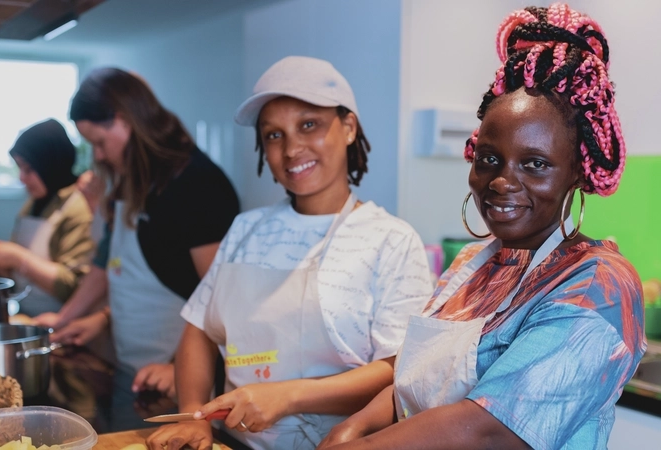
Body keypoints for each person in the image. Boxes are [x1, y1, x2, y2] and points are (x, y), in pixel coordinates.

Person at [318, 4, 646, 449]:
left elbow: (491, 429)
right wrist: (357, 424)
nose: (502, 182)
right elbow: (416, 378)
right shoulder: (474, 262)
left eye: (535, 164)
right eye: (489, 159)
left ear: (576, 171)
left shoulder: (599, 285)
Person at [147, 56, 434, 450]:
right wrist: (195, 415)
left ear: (348, 127)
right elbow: (199, 328)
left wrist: (288, 395)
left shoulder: (391, 240)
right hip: (235, 443)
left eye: (308, 125)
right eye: (274, 135)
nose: (292, 148)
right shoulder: (246, 229)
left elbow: (397, 370)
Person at [33, 68, 240, 430]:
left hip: (182, 381)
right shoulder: (132, 179)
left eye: (99, 142)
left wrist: (179, 367)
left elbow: (222, 297)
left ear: (125, 120)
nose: (98, 155)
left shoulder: (196, 182)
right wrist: (76, 318)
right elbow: (108, 263)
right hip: (135, 371)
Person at [0, 118, 95, 317]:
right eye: (19, 169)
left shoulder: (78, 206)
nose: (22, 178)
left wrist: (17, 258)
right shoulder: (32, 204)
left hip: (62, 323)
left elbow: (75, 287)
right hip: (27, 316)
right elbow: (15, 278)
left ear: (49, 163)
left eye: (29, 169)